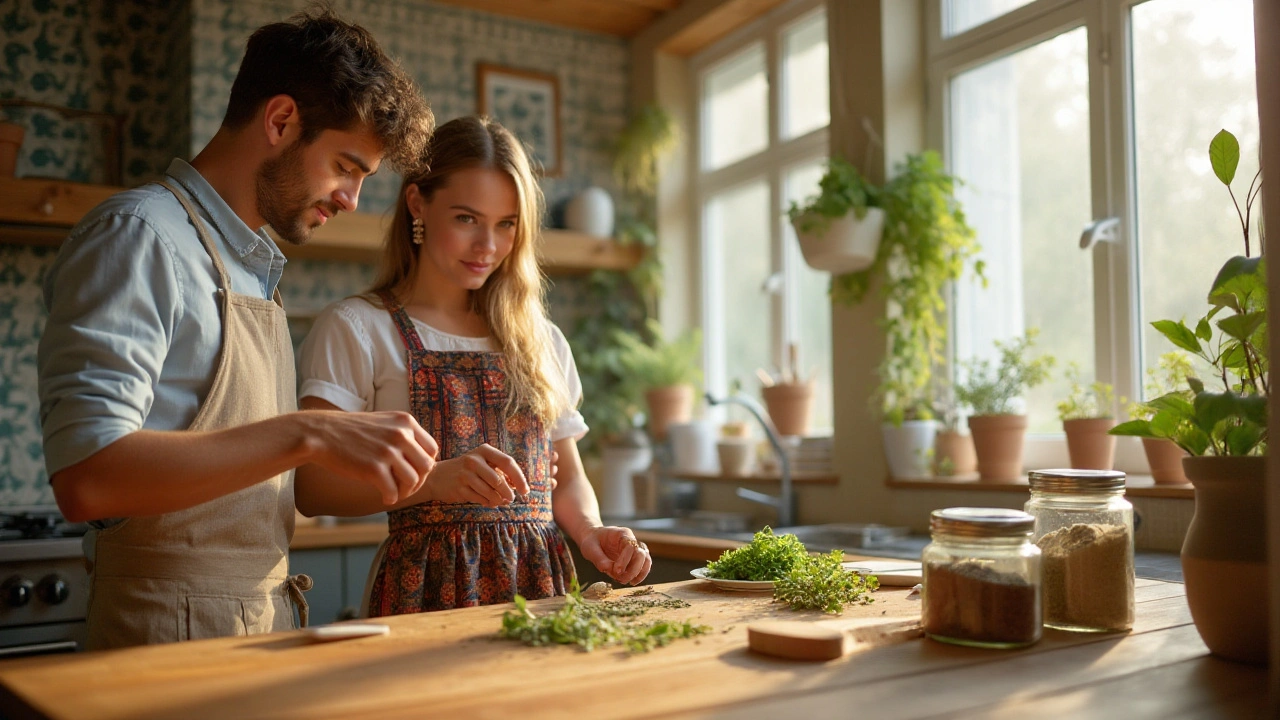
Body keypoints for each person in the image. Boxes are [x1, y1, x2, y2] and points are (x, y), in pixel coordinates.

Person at [37, 7, 438, 650]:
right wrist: (310, 431)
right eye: (346, 166)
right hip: (160, 642)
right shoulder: (142, 235)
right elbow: (87, 475)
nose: (351, 199)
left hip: (254, 630)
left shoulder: (250, 270)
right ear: (280, 121)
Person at [295, 116, 652, 615]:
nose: (488, 246)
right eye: (467, 219)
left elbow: (567, 478)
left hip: (541, 591)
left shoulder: (540, 340)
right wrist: (432, 481)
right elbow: (312, 488)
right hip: (423, 593)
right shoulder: (357, 327)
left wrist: (592, 531)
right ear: (418, 203)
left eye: (506, 225)